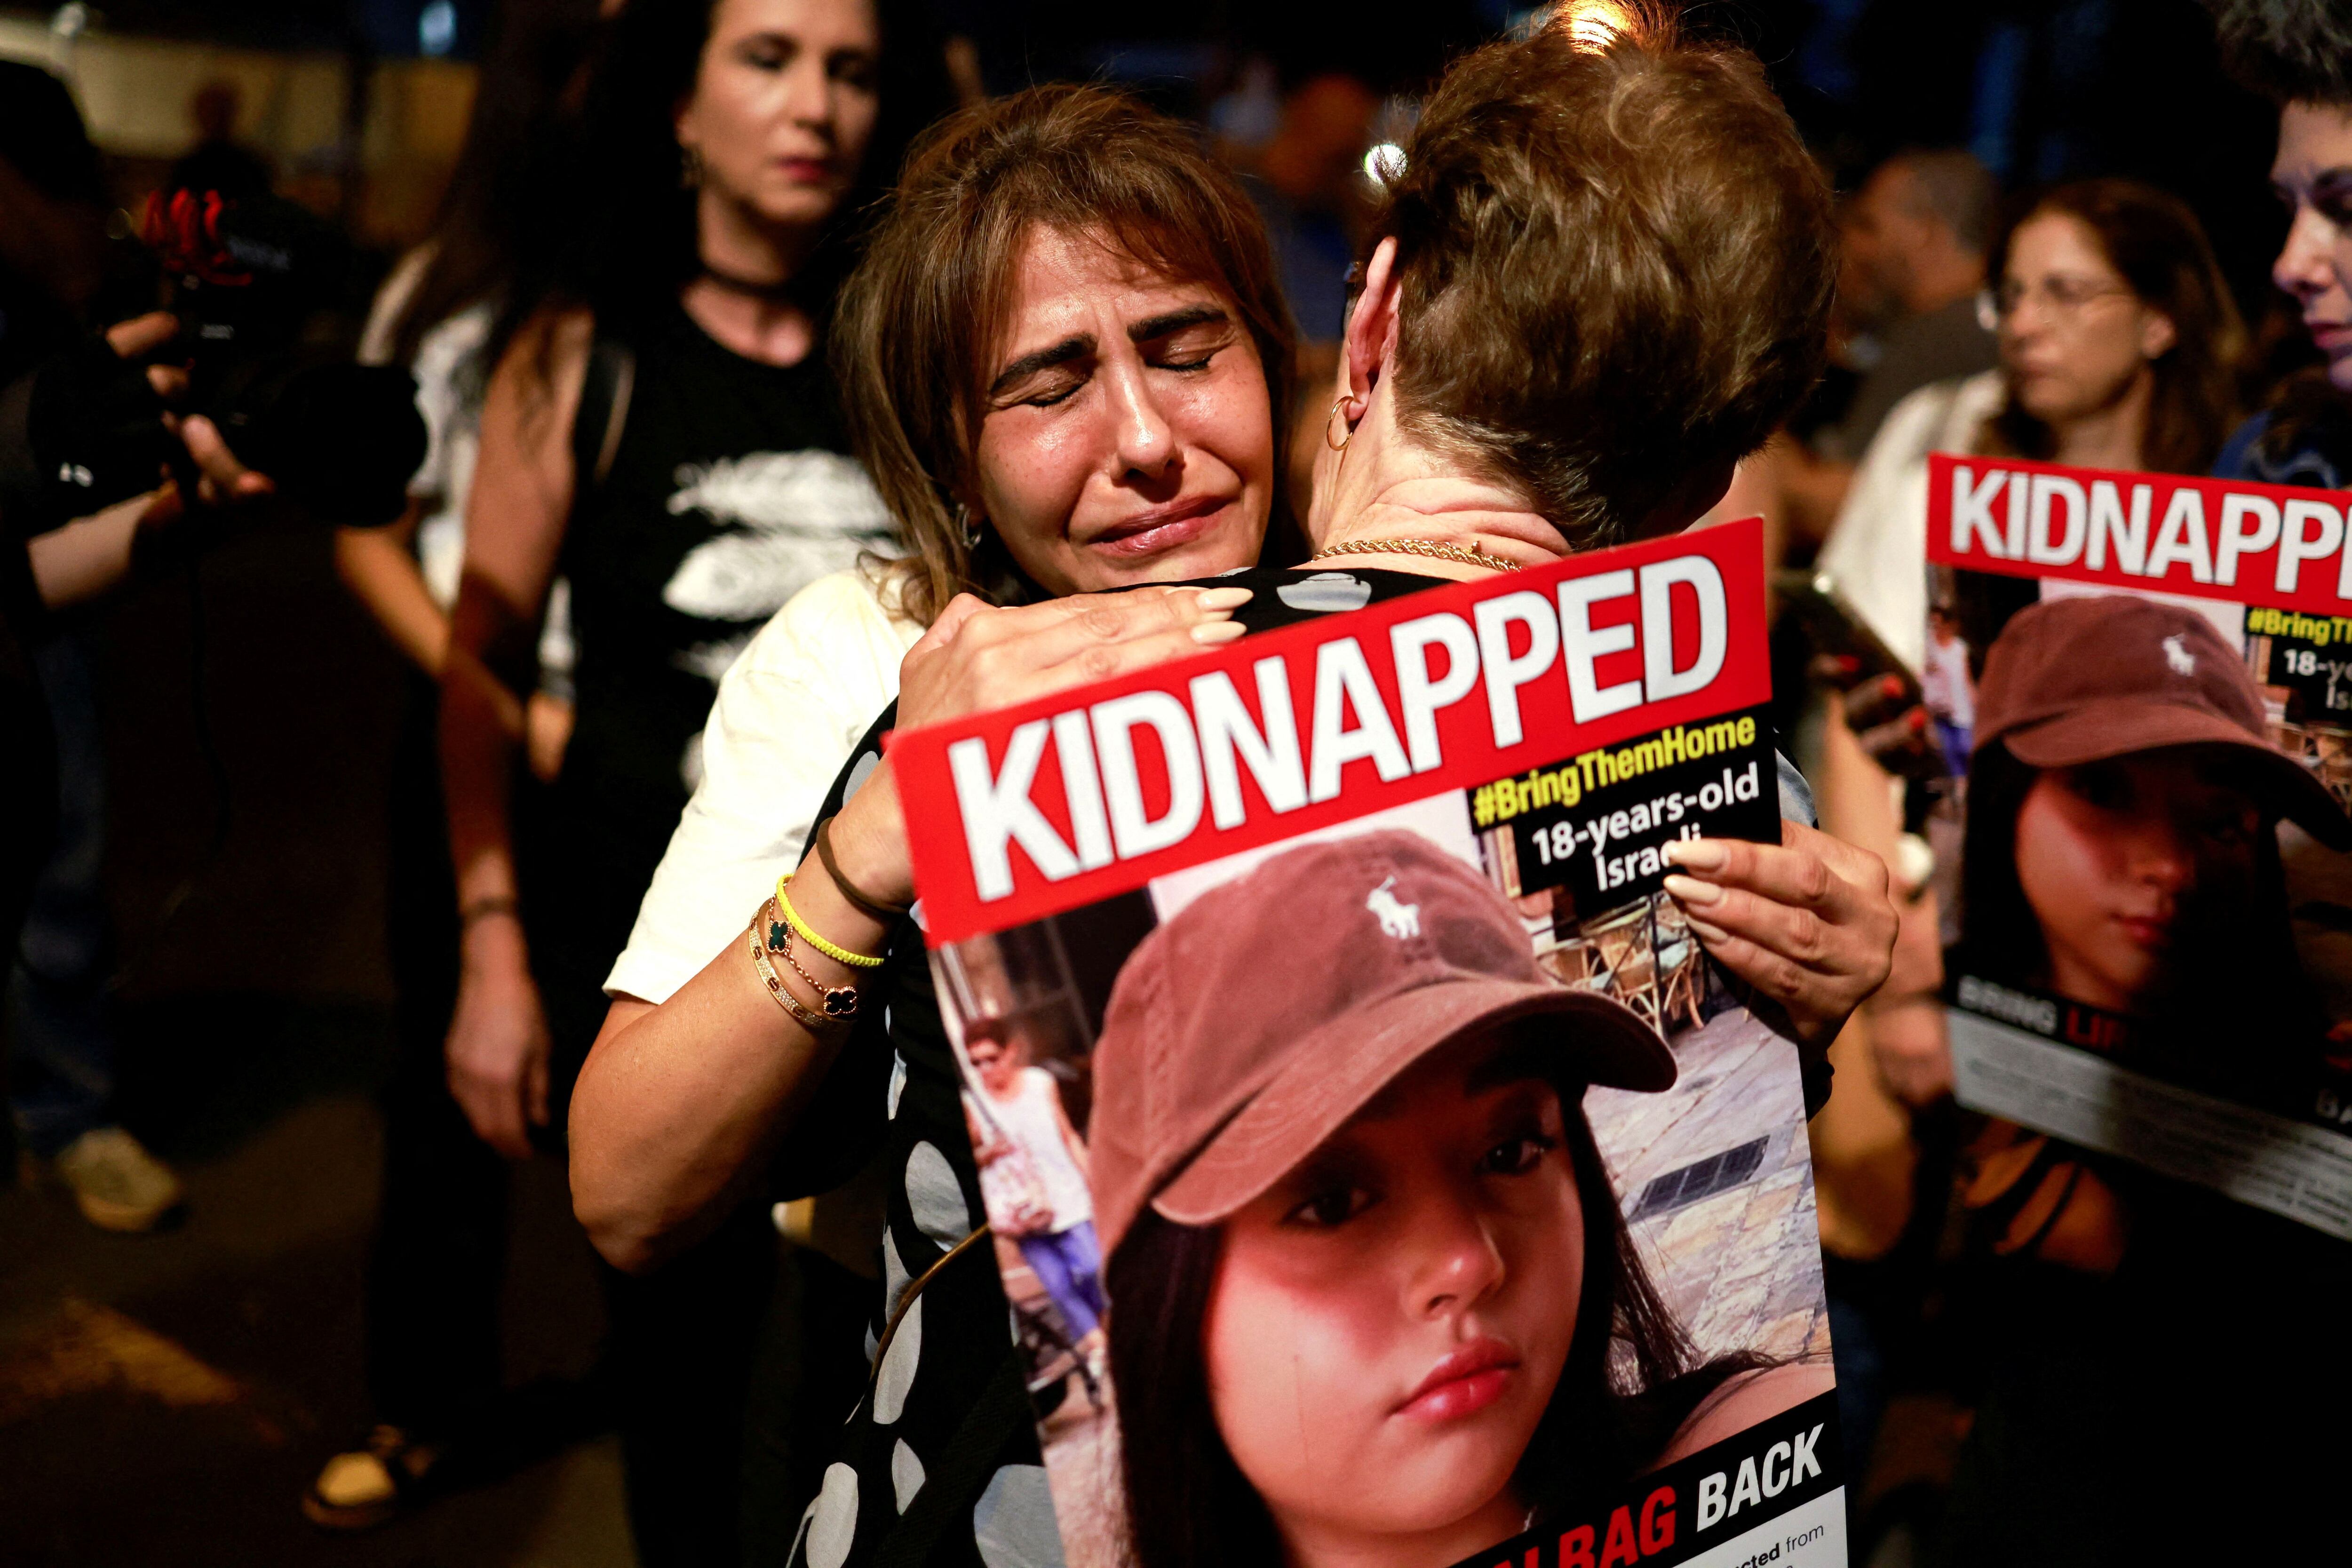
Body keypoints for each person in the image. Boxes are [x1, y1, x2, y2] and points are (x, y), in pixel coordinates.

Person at [570, 16, 1896, 1564]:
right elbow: (626, 1187)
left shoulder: (1594, 707)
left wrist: (1804, 990)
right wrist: (880, 849)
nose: (1145, 442)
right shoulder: (884, 660)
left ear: (1320, 338)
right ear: (953, 456)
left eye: (1188, 349)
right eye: (1047, 383)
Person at [435, 1, 939, 1560]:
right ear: (680, 107)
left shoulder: (903, 350)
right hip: (647, 948)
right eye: (769, 59)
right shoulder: (581, 351)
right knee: (683, 1399)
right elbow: (479, 662)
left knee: (838, 1391)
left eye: (853, 71)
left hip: (867, 966)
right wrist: (493, 942)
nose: (817, 107)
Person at [1096, 832, 1831, 1568]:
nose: (1469, 1261)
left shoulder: (1756, 1469)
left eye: (1510, 1152)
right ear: (1165, 1301)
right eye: (1332, 1201)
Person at [304, 0, 608, 1532]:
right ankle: (422, 1405)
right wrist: (490, 683)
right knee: (448, 1088)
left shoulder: (675, 298)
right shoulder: (444, 302)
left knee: (656, 1084)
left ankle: (680, 1396)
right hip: (474, 743)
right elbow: (365, 534)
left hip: (643, 766)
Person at [1935, 594, 2352, 1562]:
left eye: (2219, 822)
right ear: (2007, 801)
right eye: (2104, 791)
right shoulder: (1936, 1030)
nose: (2168, 865)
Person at [1820, 177, 2246, 678]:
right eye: (2010, 298)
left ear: (2158, 320)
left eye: (2065, 294)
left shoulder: (2232, 522)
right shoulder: (1942, 490)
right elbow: (1854, 702)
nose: (2022, 326)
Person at [961, 1023, 1104, 1372]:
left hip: (1066, 1194)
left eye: (990, 1059)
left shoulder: (1041, 1083)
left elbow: (1068, 1134)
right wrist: (989, 1153)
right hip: (1023, 1210)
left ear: (1011, 1051)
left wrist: (1092, 1179)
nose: (984, 1070)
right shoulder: (971, 1102)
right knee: (1058, 1285)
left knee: (1091, 1267)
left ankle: (1108, 1327)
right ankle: (1097, 1343)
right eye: (975, 1063)